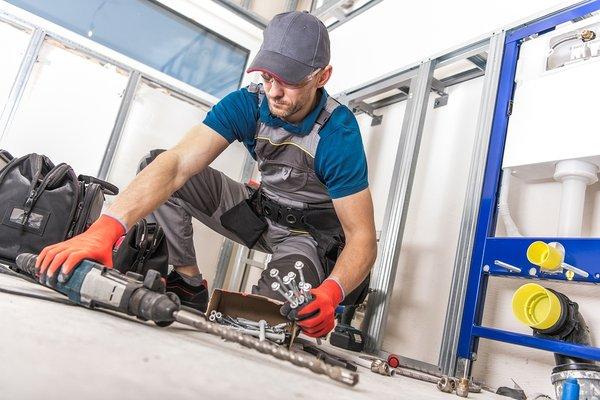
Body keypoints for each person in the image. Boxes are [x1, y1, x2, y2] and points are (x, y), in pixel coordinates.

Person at [36, 11, 377, 338]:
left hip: (305, 237)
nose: (274, 91)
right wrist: (106, 229)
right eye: (268, 77)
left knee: (259, 321)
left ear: (322, 76)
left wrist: (332, 291)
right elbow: (177, 164)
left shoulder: (338, 135)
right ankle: (189, 282)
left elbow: (361, 237)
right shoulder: (246, 104)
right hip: (259, 211)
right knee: (156, 163)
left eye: (289, 81)